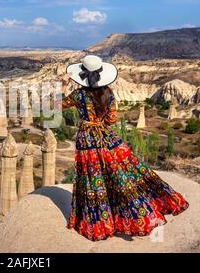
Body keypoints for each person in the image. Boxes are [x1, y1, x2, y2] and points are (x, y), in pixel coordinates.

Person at [60, 55, 188, 241]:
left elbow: (56, 105)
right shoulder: (109, 93)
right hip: (107, 137)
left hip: (87, 139)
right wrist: (100, 120)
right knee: (122, 173)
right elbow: (111, 120)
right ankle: (145, 213)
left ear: (83, 75)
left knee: (93, 178)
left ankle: (100, 223)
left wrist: (63, 86)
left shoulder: (79, 95)